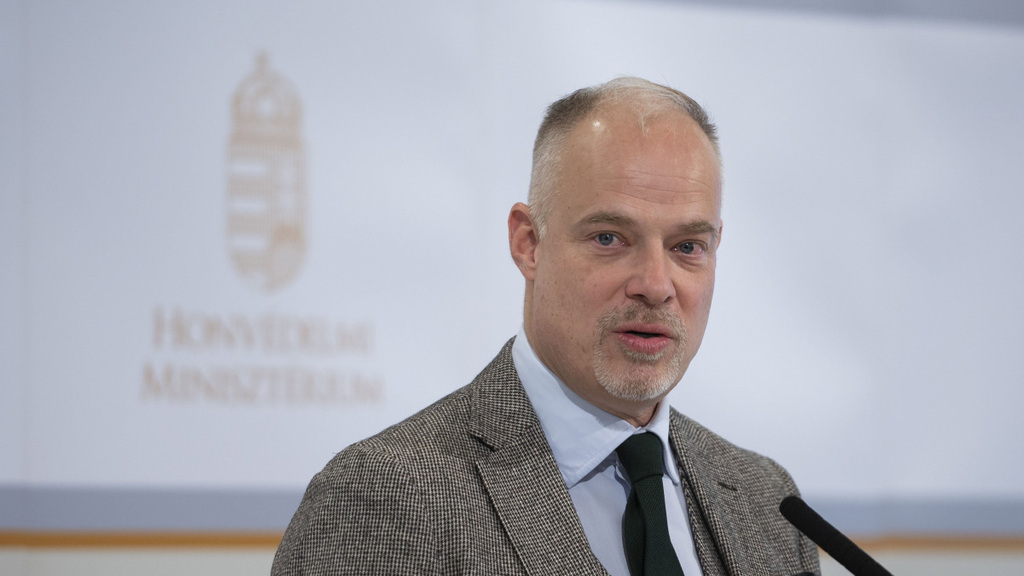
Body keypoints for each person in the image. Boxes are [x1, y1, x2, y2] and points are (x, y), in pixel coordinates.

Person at [271, 77, 820, 576]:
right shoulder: (380, 499)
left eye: (687, 247)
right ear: (528, 243)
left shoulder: (768, 504)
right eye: (609, 238)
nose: (656, 284)